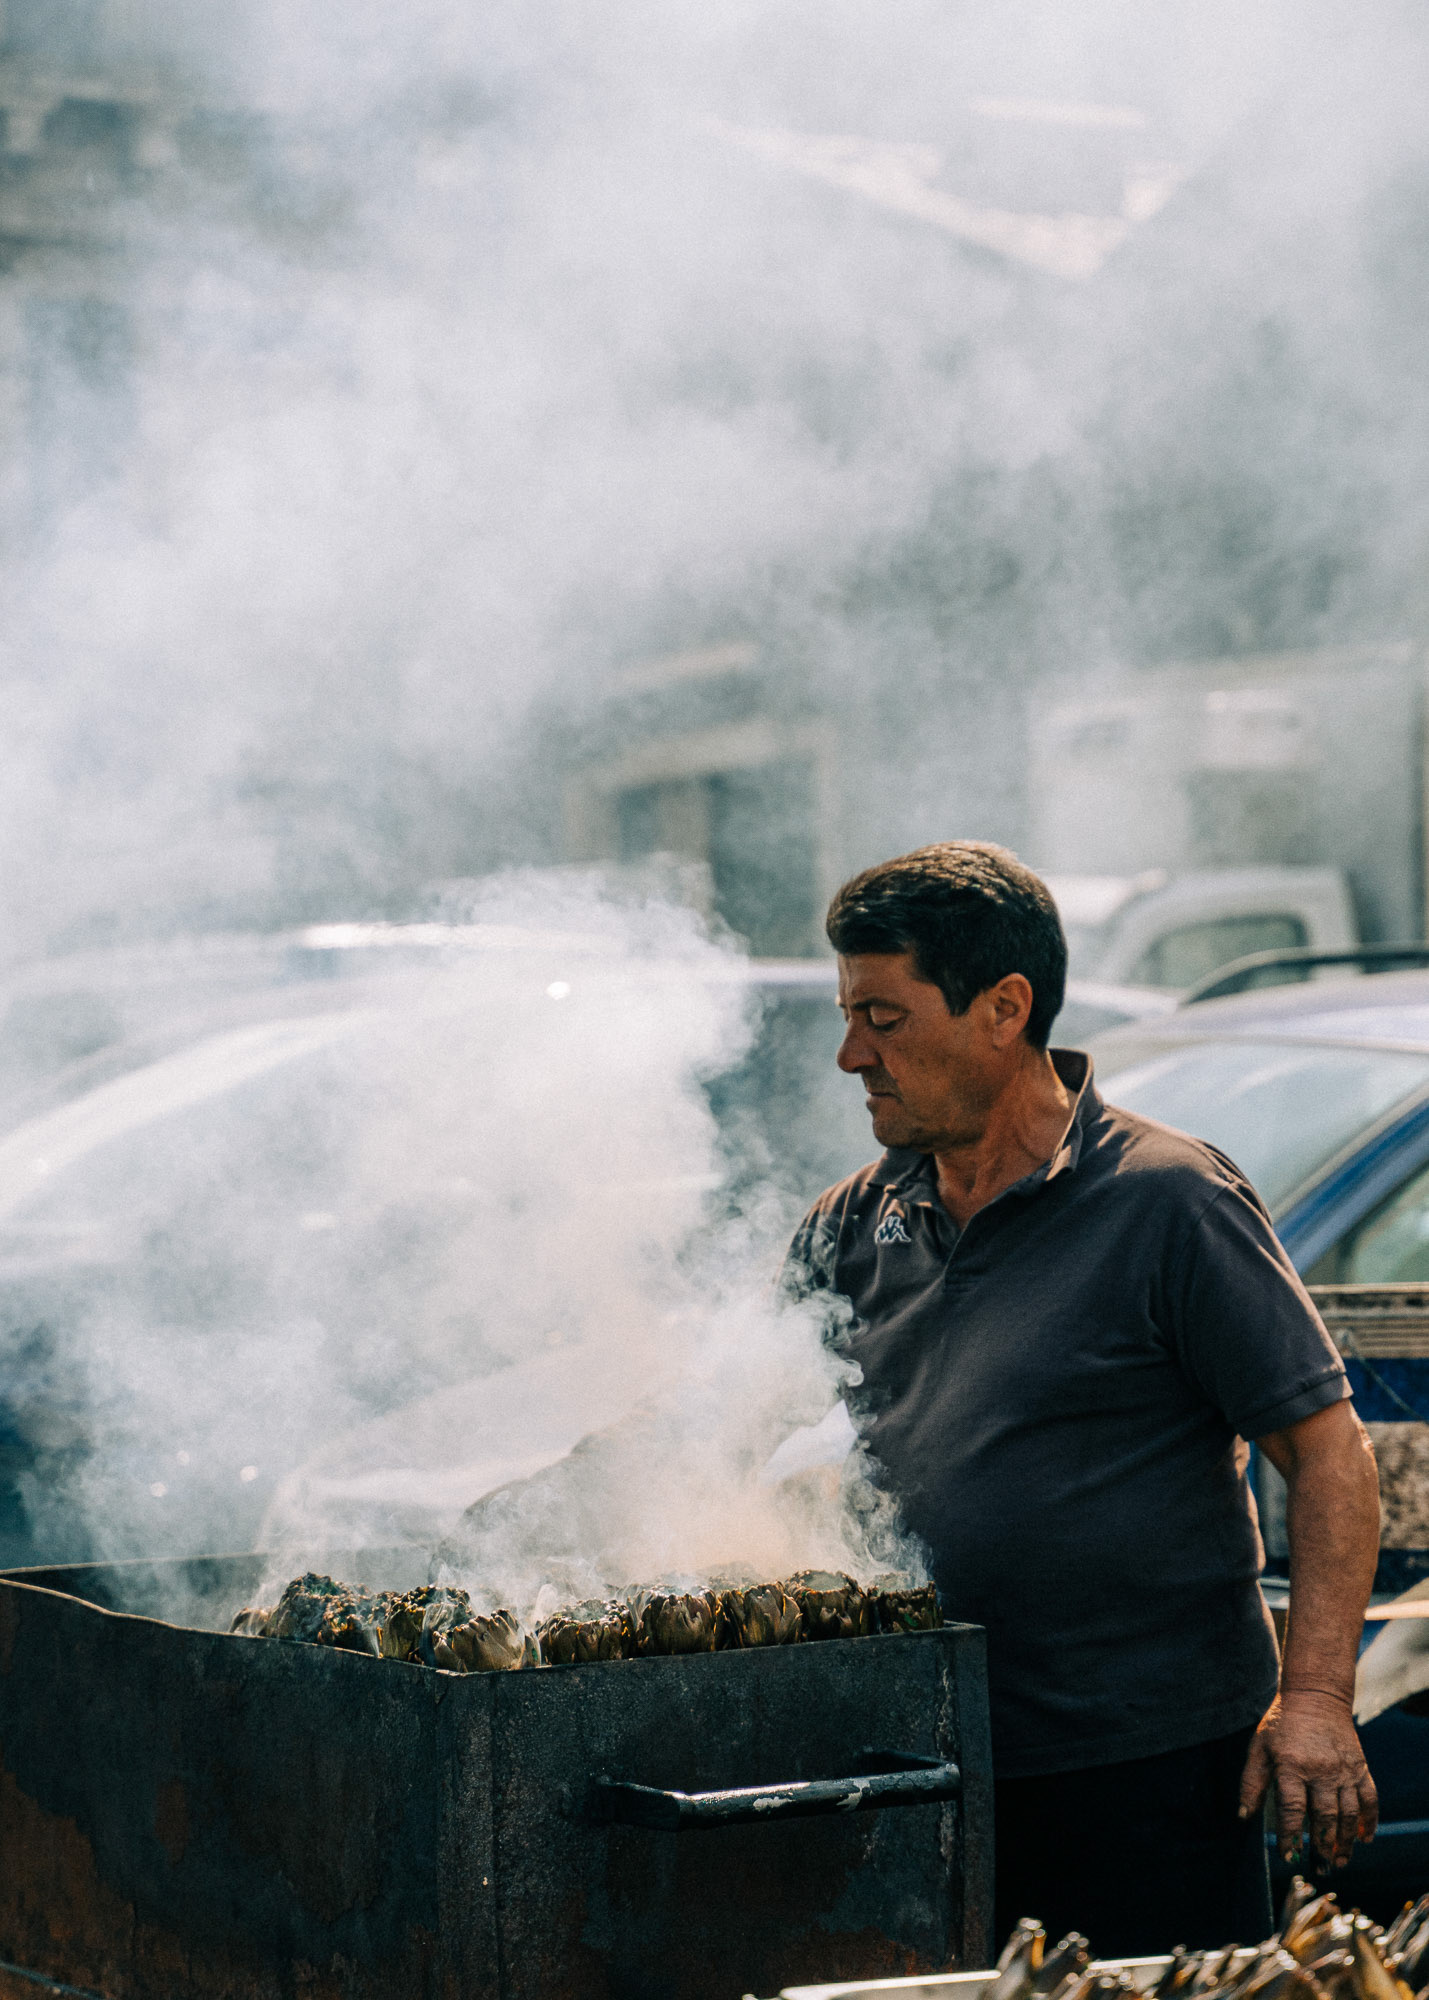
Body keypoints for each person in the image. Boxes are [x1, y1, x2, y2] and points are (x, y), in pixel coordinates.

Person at [784, 841, 1380, 1957]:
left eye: (884, 1016)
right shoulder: (853, 1223)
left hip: (1143, 1770)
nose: (848, 1052)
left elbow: (1329, 1453)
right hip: (922, 1763)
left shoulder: (1167, 1200)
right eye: (848, 1012)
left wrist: (1312, 1701)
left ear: (1003, 1006)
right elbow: (739, 1417)